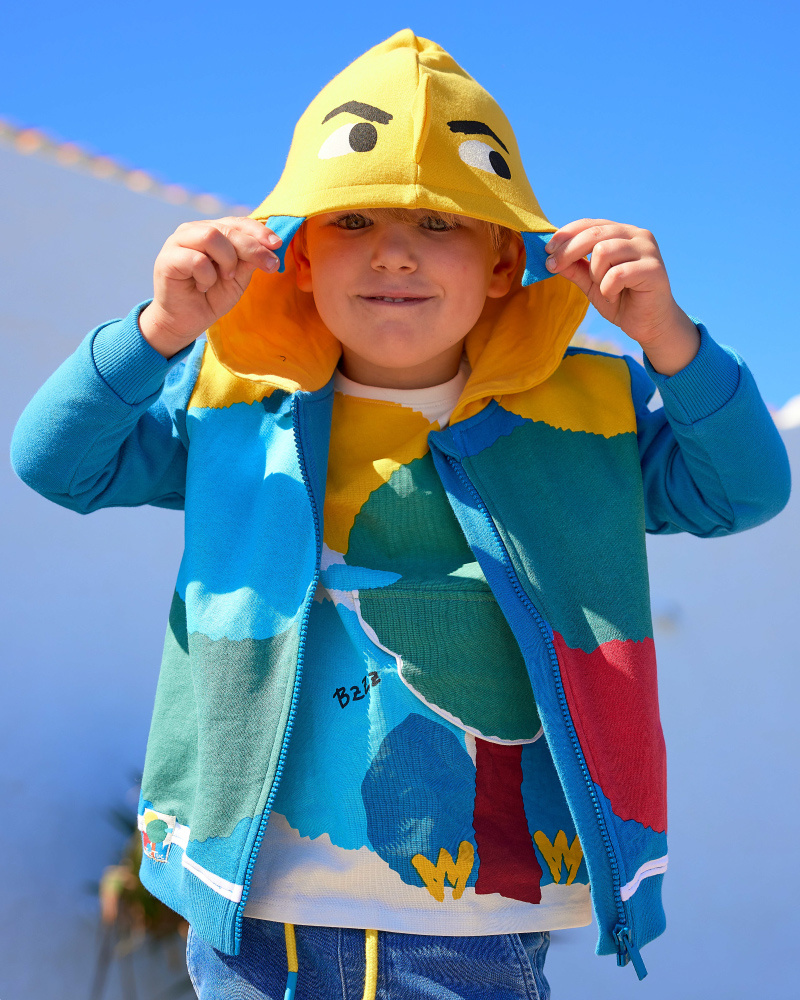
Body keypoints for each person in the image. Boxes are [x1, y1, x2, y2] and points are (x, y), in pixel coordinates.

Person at [11, 29, 790, 1000]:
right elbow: (54, 463)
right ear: (293, 255)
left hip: (475, 921)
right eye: (353, 221)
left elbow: (744, 488)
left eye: (439, 224)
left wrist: (672, 342)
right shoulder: (230, 395)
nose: (391, 251)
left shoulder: (585, 404)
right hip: (256, 913)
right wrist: (158, 329)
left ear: (507, 261)